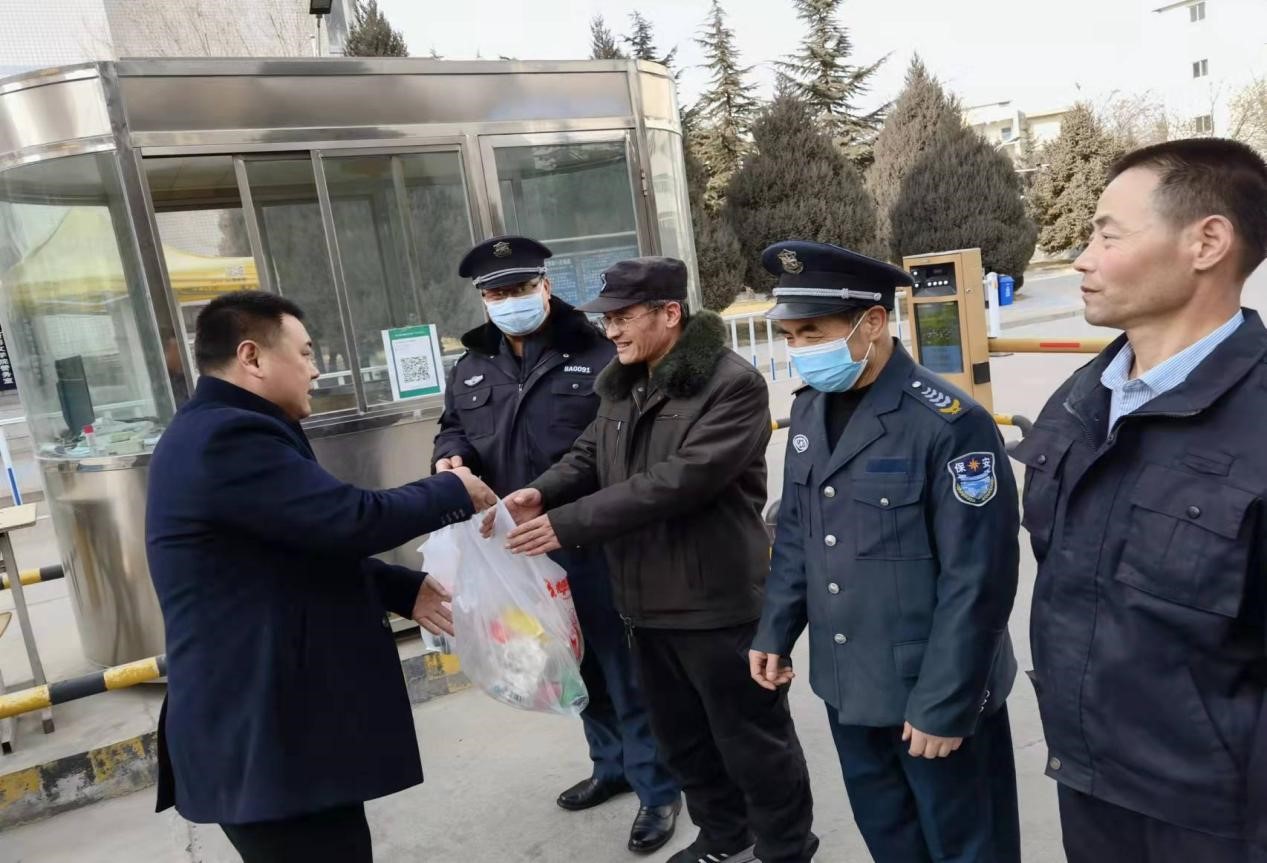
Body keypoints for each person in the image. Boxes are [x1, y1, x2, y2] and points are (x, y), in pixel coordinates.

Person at [146, 290, 496, 863]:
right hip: (261, 734)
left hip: (279, 735)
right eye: (306, 353)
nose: (314, 370)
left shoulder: (227, 427)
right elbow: (349, 519)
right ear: (252, 357)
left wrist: (396, 587)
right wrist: (452, 489)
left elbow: (291, 546)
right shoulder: (227, 438)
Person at [494, 257, 818, 863]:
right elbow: (588, 453)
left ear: (670, 313)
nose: (611, 330)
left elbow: (678, 482)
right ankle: (724, 836)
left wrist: (566, 523)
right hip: (641, 601)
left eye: (622, 317)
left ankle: (785, 846)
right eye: (606, 318)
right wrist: (540, 492)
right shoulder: (622, 381)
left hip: (714, 600)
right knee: (683, 740)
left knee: (751, 739)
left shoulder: (732, 384)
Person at [1019, 138, 1267, 863]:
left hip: (1218, 814)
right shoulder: (1082, 397)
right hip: (1090, 778)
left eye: (1107, 235)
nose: (1082, 259)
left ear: (1206, 242)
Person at [749, 242, 1021, 863]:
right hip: (848, 682)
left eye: (812, 332)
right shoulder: (810, 411)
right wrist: (776, 630)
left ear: (872, 322)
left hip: (932, 688)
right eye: (789, 335)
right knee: (891, 840)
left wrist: (945, 703)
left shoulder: (949, 422)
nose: (798, 349)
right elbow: (798, 534)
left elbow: (978, 578)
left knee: (967, 847)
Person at [432, 236, 680, 853]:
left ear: (545, 286)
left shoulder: (600, 352)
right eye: (497, 293)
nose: (509, 301)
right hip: (514, 547)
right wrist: (449, 455)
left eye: (520, 288)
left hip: (592, 541)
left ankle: (657, 788)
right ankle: (611, 765)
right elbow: (452, 426)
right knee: (571, 662)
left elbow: (623, 447)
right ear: (483, 300)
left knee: (624, 668)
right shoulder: (471, 365)